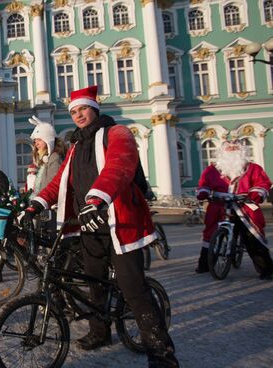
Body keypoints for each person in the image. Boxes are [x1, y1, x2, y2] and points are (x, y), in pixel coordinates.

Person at [25, 85, 178, 367]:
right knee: (95, 285)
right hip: (90, 226)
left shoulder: (117, 133)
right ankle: (100, 332)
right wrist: (37, 204)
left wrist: (96, 198)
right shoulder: (75, 146)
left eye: (83, 109)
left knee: (134, 289)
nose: (79, 115)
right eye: (73, 111)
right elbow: (61, 182)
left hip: (120, 224)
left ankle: (162, 354)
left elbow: (119, 166)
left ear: (94, 108)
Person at [195, 140, 272, 279]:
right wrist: (203, 192)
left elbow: (263, 183)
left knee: (252, 235)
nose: (232, 151)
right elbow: (203, 183)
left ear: (242, 151)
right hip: (220, 205)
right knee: (210, 234)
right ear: (221, 152)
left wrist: (256, 193)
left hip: (244, 206)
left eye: (235, 148)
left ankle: (266, 269)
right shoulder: (212, 170)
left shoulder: (253, 168)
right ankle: (205, 264)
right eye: (228, 149)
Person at [29, 115, 66, 195]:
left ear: (48, 140)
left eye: (39, 140)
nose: (36, 144)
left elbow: (53, 182)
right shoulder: (46, 158)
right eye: (35, 141)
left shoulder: (54, 157)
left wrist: (43, 199)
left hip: (49, 201)